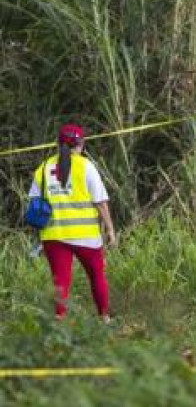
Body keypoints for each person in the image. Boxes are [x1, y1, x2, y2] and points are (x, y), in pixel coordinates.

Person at [29, 124, 117, 320]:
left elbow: (35, 203)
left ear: (57, 143)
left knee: (61, 283)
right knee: (97, 276)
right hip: (86, 236)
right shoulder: (86, 166)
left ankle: (59, 324)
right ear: (81, 144)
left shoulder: (42, 168)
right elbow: (100, 202)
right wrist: (111, 230)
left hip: (54, 236)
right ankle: (104, 319)